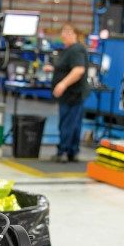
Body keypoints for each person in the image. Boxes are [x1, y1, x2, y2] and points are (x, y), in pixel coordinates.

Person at [47, 23, 90, 163]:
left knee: (68, 124)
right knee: (72, 123)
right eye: (63, 31)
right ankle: (72, 151)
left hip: (73, 94)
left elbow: (78, 70)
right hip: (70, 95)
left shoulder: (76, 50)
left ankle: (63, 152)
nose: (64, 34)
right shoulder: (68, 50)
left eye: (68, 32)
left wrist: (63, 84)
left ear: (76, 34)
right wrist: (53, 69)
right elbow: (66, 68)